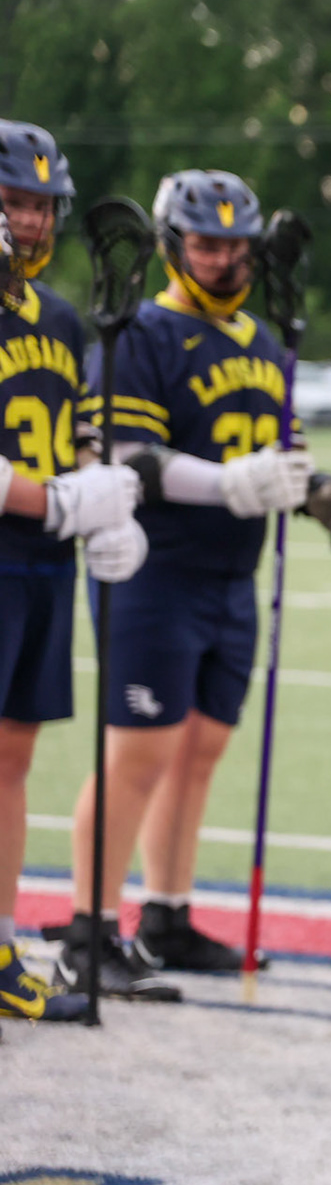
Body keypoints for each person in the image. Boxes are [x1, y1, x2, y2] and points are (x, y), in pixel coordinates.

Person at [56, 170, 330, 1000]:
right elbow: (131, 458)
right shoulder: (140, 333)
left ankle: (165, 915)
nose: (223, 260)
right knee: (137, 754)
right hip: (155, 571)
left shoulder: (260, 341)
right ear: (176, 248)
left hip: (231, 576)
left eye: (235, 246)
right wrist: (230, 485)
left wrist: (315, 488)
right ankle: (89, 931)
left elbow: (277, 455)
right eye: (207, 245)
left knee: (200, 753)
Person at [0, 120, 149, 1027]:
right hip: (9, 542)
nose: (32, 219)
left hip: (41, 567)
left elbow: (79, 431)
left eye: (42, 203)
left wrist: (104, 503)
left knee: (12, 760)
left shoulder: (58, 317)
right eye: (16, 200)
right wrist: (53, 502)